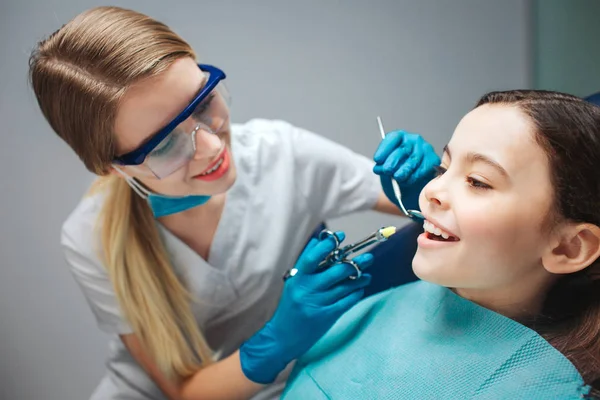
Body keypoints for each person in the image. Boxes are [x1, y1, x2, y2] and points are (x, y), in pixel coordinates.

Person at [28, 6, 439, 400]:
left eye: (202, 102)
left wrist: (428, 187)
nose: (209, 146)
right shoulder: (89, 238)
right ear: (112, 168)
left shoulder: (282, 155)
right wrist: (274, 342)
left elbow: (448, 217)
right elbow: (183, 392)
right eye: (164, 142)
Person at [282, 90, 600, 399]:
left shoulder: (542, 388)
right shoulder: (394, 304)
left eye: (478, 181)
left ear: (569, 248)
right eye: (443, 169)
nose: (430, 191)